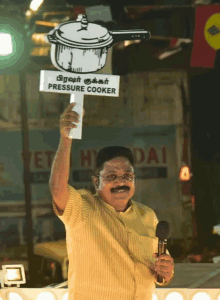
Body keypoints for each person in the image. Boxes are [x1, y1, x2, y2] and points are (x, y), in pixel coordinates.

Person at [49, 103, 175, 300]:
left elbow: (159, 272)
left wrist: (166, 272)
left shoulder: (148, 215)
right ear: (95, 181)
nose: (120, 182)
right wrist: (66, 138)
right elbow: (57, 190)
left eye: (127, 176)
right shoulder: (82, 208)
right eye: (111, 177)